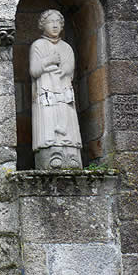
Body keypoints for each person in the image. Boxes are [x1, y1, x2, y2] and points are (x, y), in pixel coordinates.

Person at [30, 9, 82, 169]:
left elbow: (70, 67)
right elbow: (34, 70)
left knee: (67, 119)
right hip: (46, 91)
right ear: (42, 25)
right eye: (50, 22)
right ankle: (52, 155)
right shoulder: (38, 45)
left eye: (58, 22)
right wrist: (48, 61)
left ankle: (72, 155)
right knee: (49, 120)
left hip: (64, 90)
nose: (54, 25)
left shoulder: (66, 47)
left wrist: (63, 70)